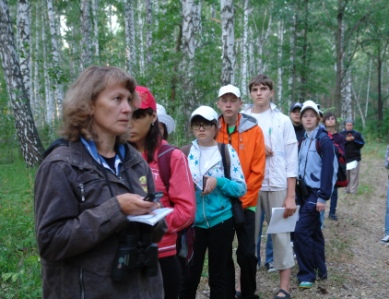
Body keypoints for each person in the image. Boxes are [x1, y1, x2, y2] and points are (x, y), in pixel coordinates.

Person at [34, 66, 166, 299]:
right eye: (117, 99)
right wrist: (116, 209)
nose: (128, 109)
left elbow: (155, 235)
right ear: (89, 105)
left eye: (129, 100)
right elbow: (51, 242)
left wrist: (153, 217)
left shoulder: (136, 162)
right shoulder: (62, 165)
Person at [129, 86, 196, 299]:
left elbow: (186, 210)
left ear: (153, 116)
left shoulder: (171, 157)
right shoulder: (114, 156)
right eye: (127, 114)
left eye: (138, 115)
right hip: (123, 255)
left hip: (162, 255)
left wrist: (154, 225)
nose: (131, 122)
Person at [180, 105, 247, 299]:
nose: (201, 129)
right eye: (197, 125)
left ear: (215, 127)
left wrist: (219, 181)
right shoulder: (184, 153)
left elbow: (241, 188)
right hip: (193, 223)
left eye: (206, 125)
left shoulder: (226, 152)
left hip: (222, 220)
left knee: (219, 276)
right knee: (189, 276)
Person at [243, 74, 298, 299]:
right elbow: (235, 150)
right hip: (250, 186)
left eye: (263, 89)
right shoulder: (243, 119)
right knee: (247, 238)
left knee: (281, 236)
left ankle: (284, 287)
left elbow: (291, 159)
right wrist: (256, 147)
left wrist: (291, 195)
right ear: (250, 93)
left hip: (277, 184)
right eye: (255, 89)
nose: (259, 93)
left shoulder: (282, 120)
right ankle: (243, 286)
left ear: (271, 93)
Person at [216, 84, 265, 299]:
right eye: (224, 100)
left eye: (232, 100)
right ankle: (226, 293)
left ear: (240, 103)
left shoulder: (254, 130)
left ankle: (248, 293)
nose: (228, 104)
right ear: (218, 104)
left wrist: (242, 198)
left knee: (247, 253)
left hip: (248, 202)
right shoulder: (211, 129)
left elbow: (258, 170)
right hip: (220, 204)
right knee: (222, 252)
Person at [294, 100, 337, 289]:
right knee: (314, 232)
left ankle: (307, 274)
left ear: (318, 118)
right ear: (301, 119)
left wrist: (322, 197)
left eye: (312, 115)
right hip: (303, 191)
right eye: (305, 115)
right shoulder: (303, 139)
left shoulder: (324, 140)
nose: (308, 118)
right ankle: (321, 269)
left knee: (300, 230)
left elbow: (329, 170)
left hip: (316, 192)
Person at [322, 112, 346, 221]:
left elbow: (342, 151)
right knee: (320, 190)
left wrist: (333, 146)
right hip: (322, 165)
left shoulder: (340, 137)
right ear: (324, 121)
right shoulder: (322, 134)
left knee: (334, 191)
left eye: (332, 118)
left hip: (335, 166)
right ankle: (319, 212)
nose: (331, 120)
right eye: (328, 119)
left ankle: (332, 212)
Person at [340, 119, 365, 194]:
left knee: (354, 174)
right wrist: (345, 140)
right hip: (345, 157)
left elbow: (362, 143)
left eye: (351, 125)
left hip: (355, 157)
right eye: (348, 125)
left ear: (353, 126)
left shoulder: (357, 134)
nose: (349, 127)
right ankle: (347, 189)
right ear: (345, 126)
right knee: (346, 174)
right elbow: (338, 144)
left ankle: (353, 190)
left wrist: (354, 140)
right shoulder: (341, 134)